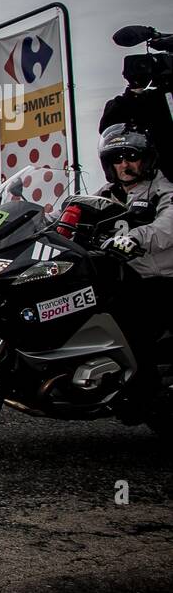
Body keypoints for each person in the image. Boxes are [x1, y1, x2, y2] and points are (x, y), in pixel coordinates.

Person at [95, 124, 173, 418]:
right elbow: (71, 211)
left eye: (131, 156)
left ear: (146, 158)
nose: (124, 165)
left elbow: (168, 227)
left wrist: (136, 237)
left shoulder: (163, 191)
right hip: (123, 276)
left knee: (133, 316)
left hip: (160, 278)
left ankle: (145, 393)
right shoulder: (105, 194)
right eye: (117, 158)